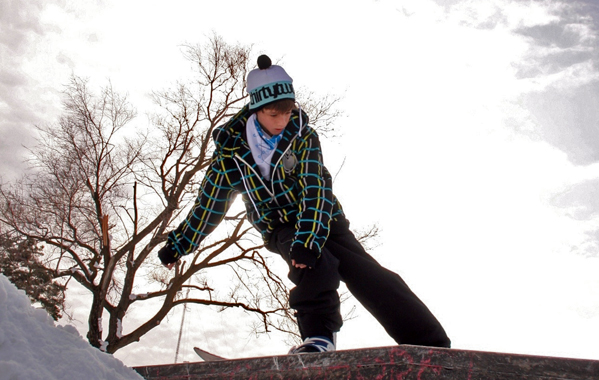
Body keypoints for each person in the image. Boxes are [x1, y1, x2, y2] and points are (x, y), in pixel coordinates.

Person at [158, 55, 451, 354]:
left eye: (287, 113)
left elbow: (316, 187)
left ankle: (430, 344)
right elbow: (209, 206)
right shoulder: (230, 154)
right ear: (256, 109)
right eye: (274, 115)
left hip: (324, 219)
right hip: (279, 226)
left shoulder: (303, 137)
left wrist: (309, 239)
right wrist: (177, 245)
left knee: (369, 277)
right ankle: (319, 339)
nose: (282, 122)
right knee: (313, 266)